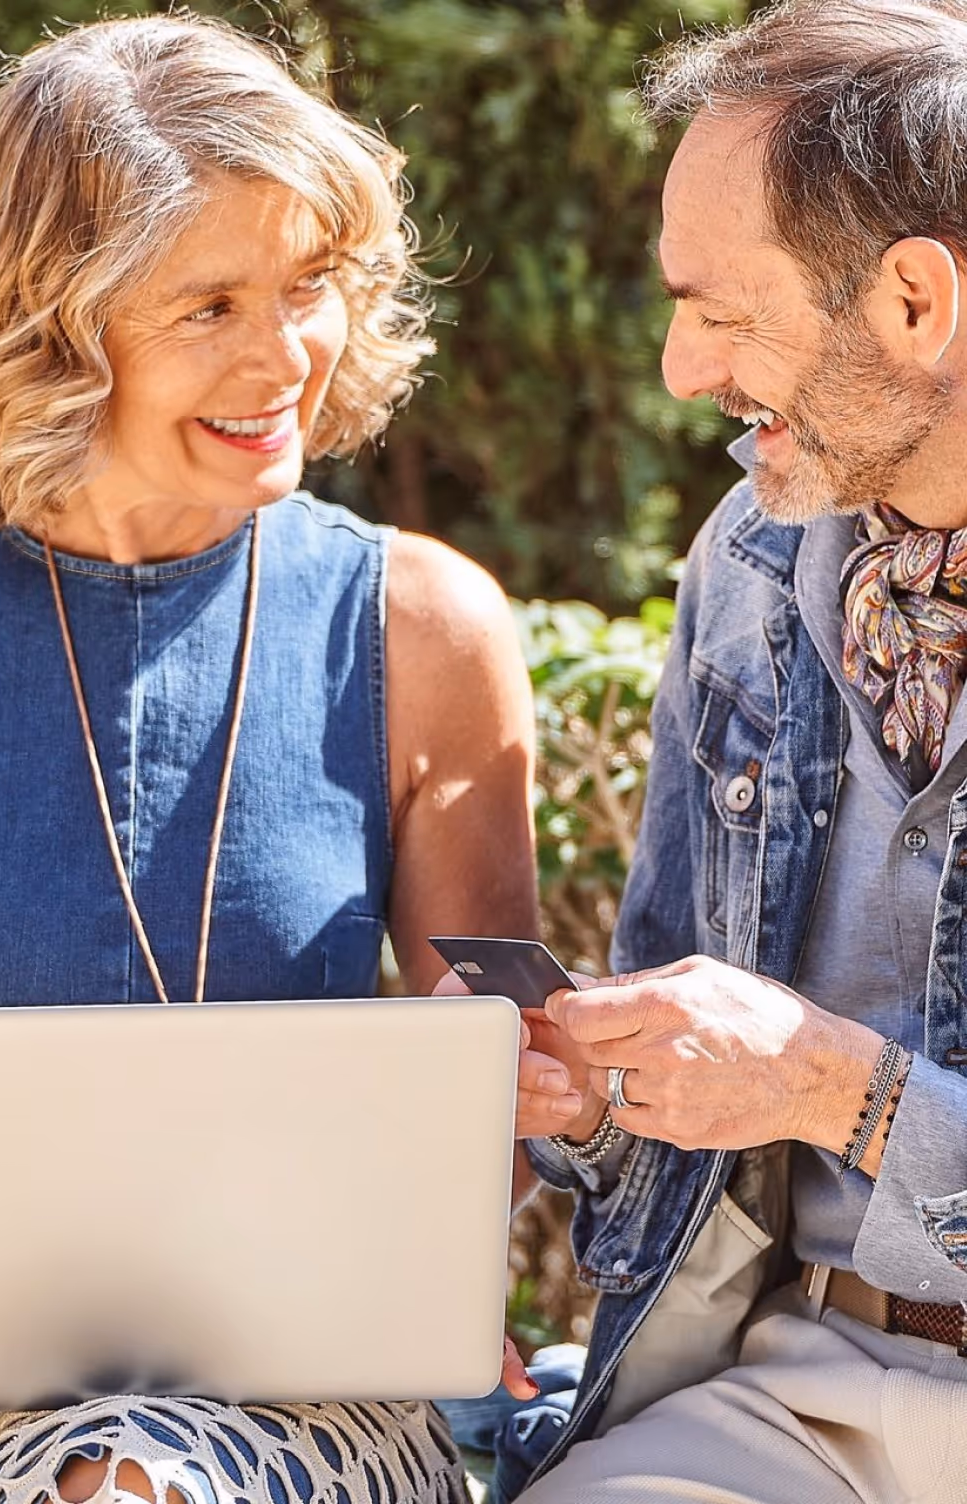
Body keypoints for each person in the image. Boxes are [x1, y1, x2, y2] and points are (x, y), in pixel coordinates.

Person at [0, 13, 581, 1503]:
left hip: (303, 1407)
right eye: (211, 306)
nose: (286, 356)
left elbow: (496, 1102)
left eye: (310, 287)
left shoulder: (425, 627)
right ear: (57, 324)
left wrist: (503, 1096)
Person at [506, 3, 967, 1502]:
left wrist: (845, 1092)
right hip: (805, 1385)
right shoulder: (750, 568)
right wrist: (603, 1094)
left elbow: (814, 1088)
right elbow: (694, 1129)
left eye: (722, 310)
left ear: (915, 300)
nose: (677, 369)